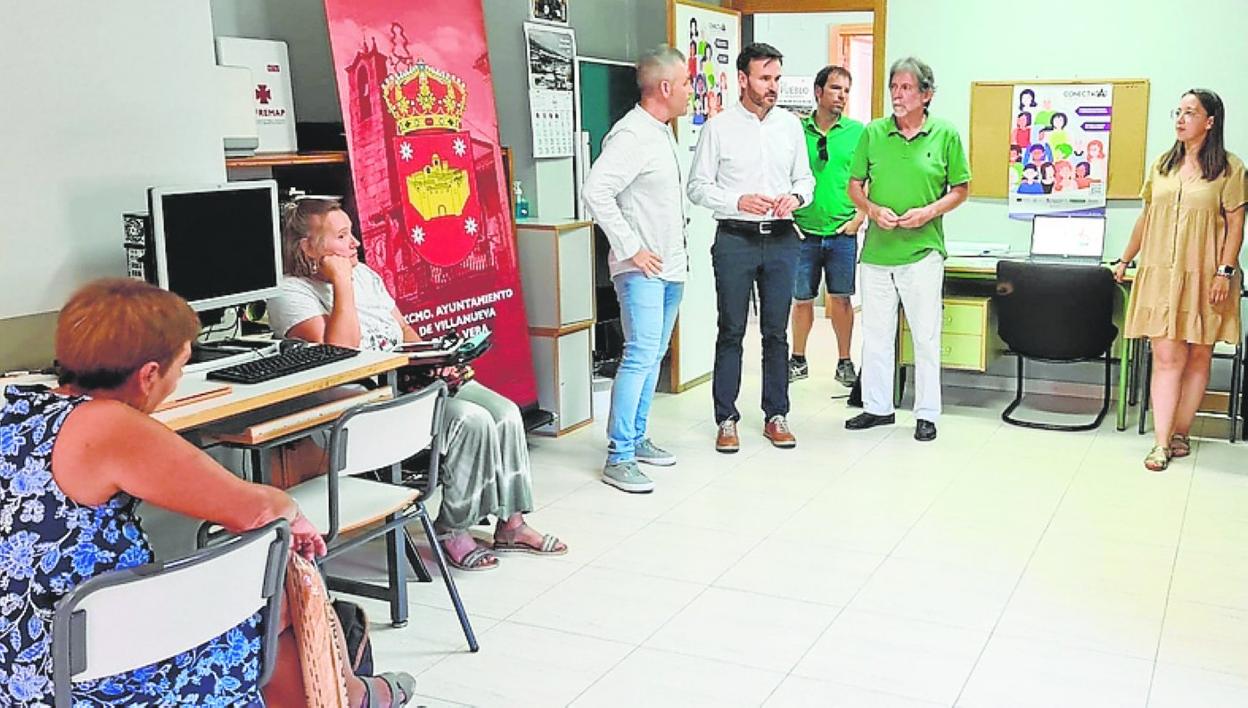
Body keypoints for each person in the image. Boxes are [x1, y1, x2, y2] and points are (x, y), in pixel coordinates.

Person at [0, 279, 415, 707]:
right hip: (86, 671)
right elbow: (258, 510)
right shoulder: (107, 425)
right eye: (181, 366)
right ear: (148, 376)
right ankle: (355, 695)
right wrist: (293, 513)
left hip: (18, 659)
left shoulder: (17, 406)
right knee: (279, 591)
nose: (178, 380)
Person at [266, 198, 565, 571]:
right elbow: (338, 357)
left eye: (352, 233)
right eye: (342, 237)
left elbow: (406, 332)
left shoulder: (365, 275)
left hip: (406, 382)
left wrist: (438, 363)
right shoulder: (290, 293)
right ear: (307, 247)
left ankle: (512, 523)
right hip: (368, 400)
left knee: (504, 413)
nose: (355, 243)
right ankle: (452, 528)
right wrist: (341, 282)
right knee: (470, 421)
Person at [687, 42, 814, 453]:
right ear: (743, 79)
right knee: (732, 330)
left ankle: (776, 415)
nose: (772, 86)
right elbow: (697, 188)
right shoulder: (718, 127)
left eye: (776, 78)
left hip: (781, 240)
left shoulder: (791, 127)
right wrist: (737, 201)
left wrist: (796, 198)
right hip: (735, 240)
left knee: (777, 333)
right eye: (764, 78)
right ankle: (726, 418)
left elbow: (805, 180)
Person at [1116, 89, 1245, 471]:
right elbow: (1147, 216)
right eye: (1179, 111)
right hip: (1160, 272)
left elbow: (1237, 224)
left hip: (1208, 273)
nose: (1180, 118)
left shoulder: (1230, 167)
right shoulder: (1162, 165)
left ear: (1210, 121)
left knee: (1198, 354)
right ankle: (1160, 443)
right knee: (1167, 356)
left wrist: (1225, 270)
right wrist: (1125, 258)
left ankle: (1179, 433)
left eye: (1191, 112)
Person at [582, 46, 691, 494]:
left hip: (671, 267)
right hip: (640, 270)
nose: (690, 91)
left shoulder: (661, 131)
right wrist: (632, 247)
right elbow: (595, 191)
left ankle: (638, 436)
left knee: (652, 357)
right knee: (639, 356)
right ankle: (619, 454)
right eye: (685, 83)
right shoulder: (630, 135)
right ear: (664, 88)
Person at [845, 56, 970, 442]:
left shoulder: (945, 134)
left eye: (906, 88)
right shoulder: (873, 133)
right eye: (893, 87)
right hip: (878, 253)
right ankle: (877, 408)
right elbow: (854, 184)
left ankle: (927, 413)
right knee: (876, 334)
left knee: (925, 335)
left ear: (926, 94)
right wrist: (871, 209)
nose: (897, 95)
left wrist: (928, 212)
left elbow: (961, 189)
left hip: (922, 252)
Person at [788, 65, 865, 389]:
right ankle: (798, 358)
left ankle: (845, 361)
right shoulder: (795, 131)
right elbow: (782, 177)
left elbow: (868, 180)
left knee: (842, 298)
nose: (842, 96)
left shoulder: (858, 133)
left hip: (842, 232)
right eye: (836, 89)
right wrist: (788, 222)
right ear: (818, 92)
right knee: (801, 299)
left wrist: (859, 218)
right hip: (803, 232)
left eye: (846, 90)